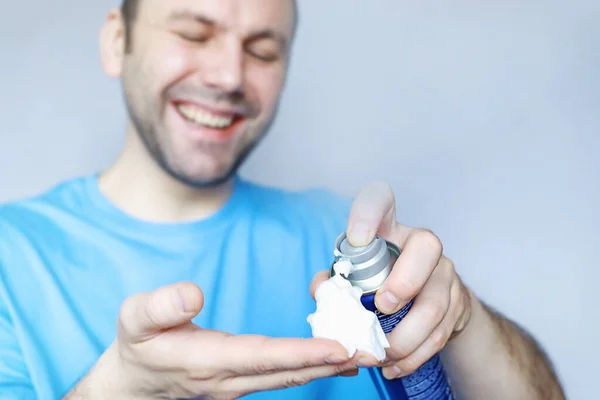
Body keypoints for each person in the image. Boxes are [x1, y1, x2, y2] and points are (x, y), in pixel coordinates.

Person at [0, 0, 566, 399]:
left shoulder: (338, 239)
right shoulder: (11, 256)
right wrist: (119, 393)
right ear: (116, 40)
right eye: (194, 33)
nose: (228, 75)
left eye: (264, 50)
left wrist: (462, 320)